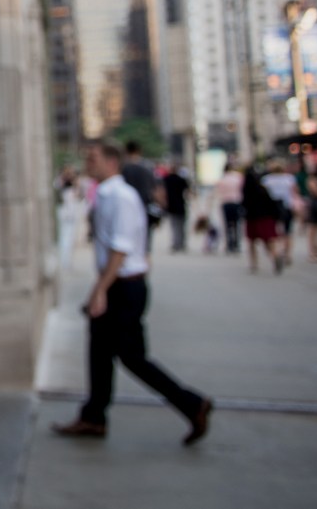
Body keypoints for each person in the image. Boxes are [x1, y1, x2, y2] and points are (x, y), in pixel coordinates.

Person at [52, 143, 212, 445]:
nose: (87, 162)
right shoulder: (107, 195)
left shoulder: (121, 197)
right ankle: (93, 416)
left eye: (93, 158)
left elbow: (121, 249)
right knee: (99, 351)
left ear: (112, 162)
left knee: (132, 357)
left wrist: (101, 290)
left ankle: (191, 403)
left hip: (124, 287)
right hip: (115, 283)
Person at [242, 166, 283, 275]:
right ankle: (275, 255)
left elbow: (244, 205)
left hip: (252, 218)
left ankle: (254, 263)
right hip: (266, 218)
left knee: (251, 242)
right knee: (269, 240)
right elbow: (272, 204)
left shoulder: (246, 192)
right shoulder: (263, 189)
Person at [121, 141, 162, 247]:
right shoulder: (147, 167)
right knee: (144, 238)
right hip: (144, 206)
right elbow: (155, 189)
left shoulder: (122, 168)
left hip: (125, 208)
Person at [261, 160, 298, 268]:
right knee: (288, 232)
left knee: (274, 233)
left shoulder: (266, 180)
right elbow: (295, 192)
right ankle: (287, 254)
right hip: (287, 207)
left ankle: (276, 252)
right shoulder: (289, 178)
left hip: (272, 209)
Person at [215, 163, 244, 254]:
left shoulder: (222, 179)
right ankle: (236, 243)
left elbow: (218, 192)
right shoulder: (238, 177)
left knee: (227, 225)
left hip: (226, 202)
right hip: (236, 202)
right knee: (236, 224)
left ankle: (229, 244)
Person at [163, 165, 191, 252]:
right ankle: (181, 243)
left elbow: (162, 191)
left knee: (174, 225)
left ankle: (176, 243)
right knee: (181, 226)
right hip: (180, 204)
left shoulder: (166, 180)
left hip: (171, 205)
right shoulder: (181, 179)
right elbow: (188, 191)